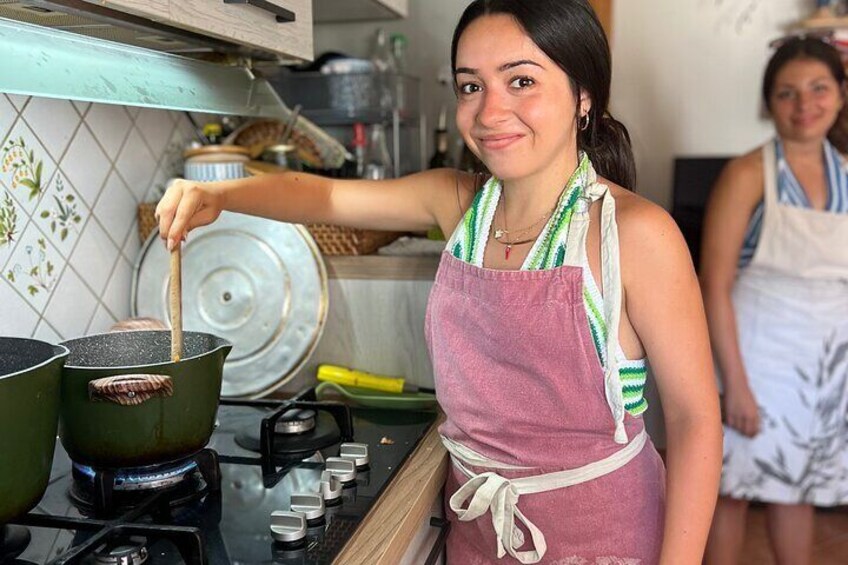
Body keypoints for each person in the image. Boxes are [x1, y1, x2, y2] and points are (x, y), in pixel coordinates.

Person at [157, 1, 721, 562]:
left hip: (606, 540)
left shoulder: (636, 234)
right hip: (477, 532)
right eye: (470, 87)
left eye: (521, 80)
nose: (490, 111)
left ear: (584, 95)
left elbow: (696, 421)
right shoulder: (460, 206)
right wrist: (221, 195)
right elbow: (324, 194)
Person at [701, 37, 848, 565]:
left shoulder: (847, 176)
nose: (804, 104)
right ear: (768, 103)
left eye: (818, 89)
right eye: (786, 93)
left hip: (825, 370)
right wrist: (735, 385)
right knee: (730, 490)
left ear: (840, 94)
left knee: (798, 487)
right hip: (752, 359)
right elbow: (713, 283)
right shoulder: (747, 175)